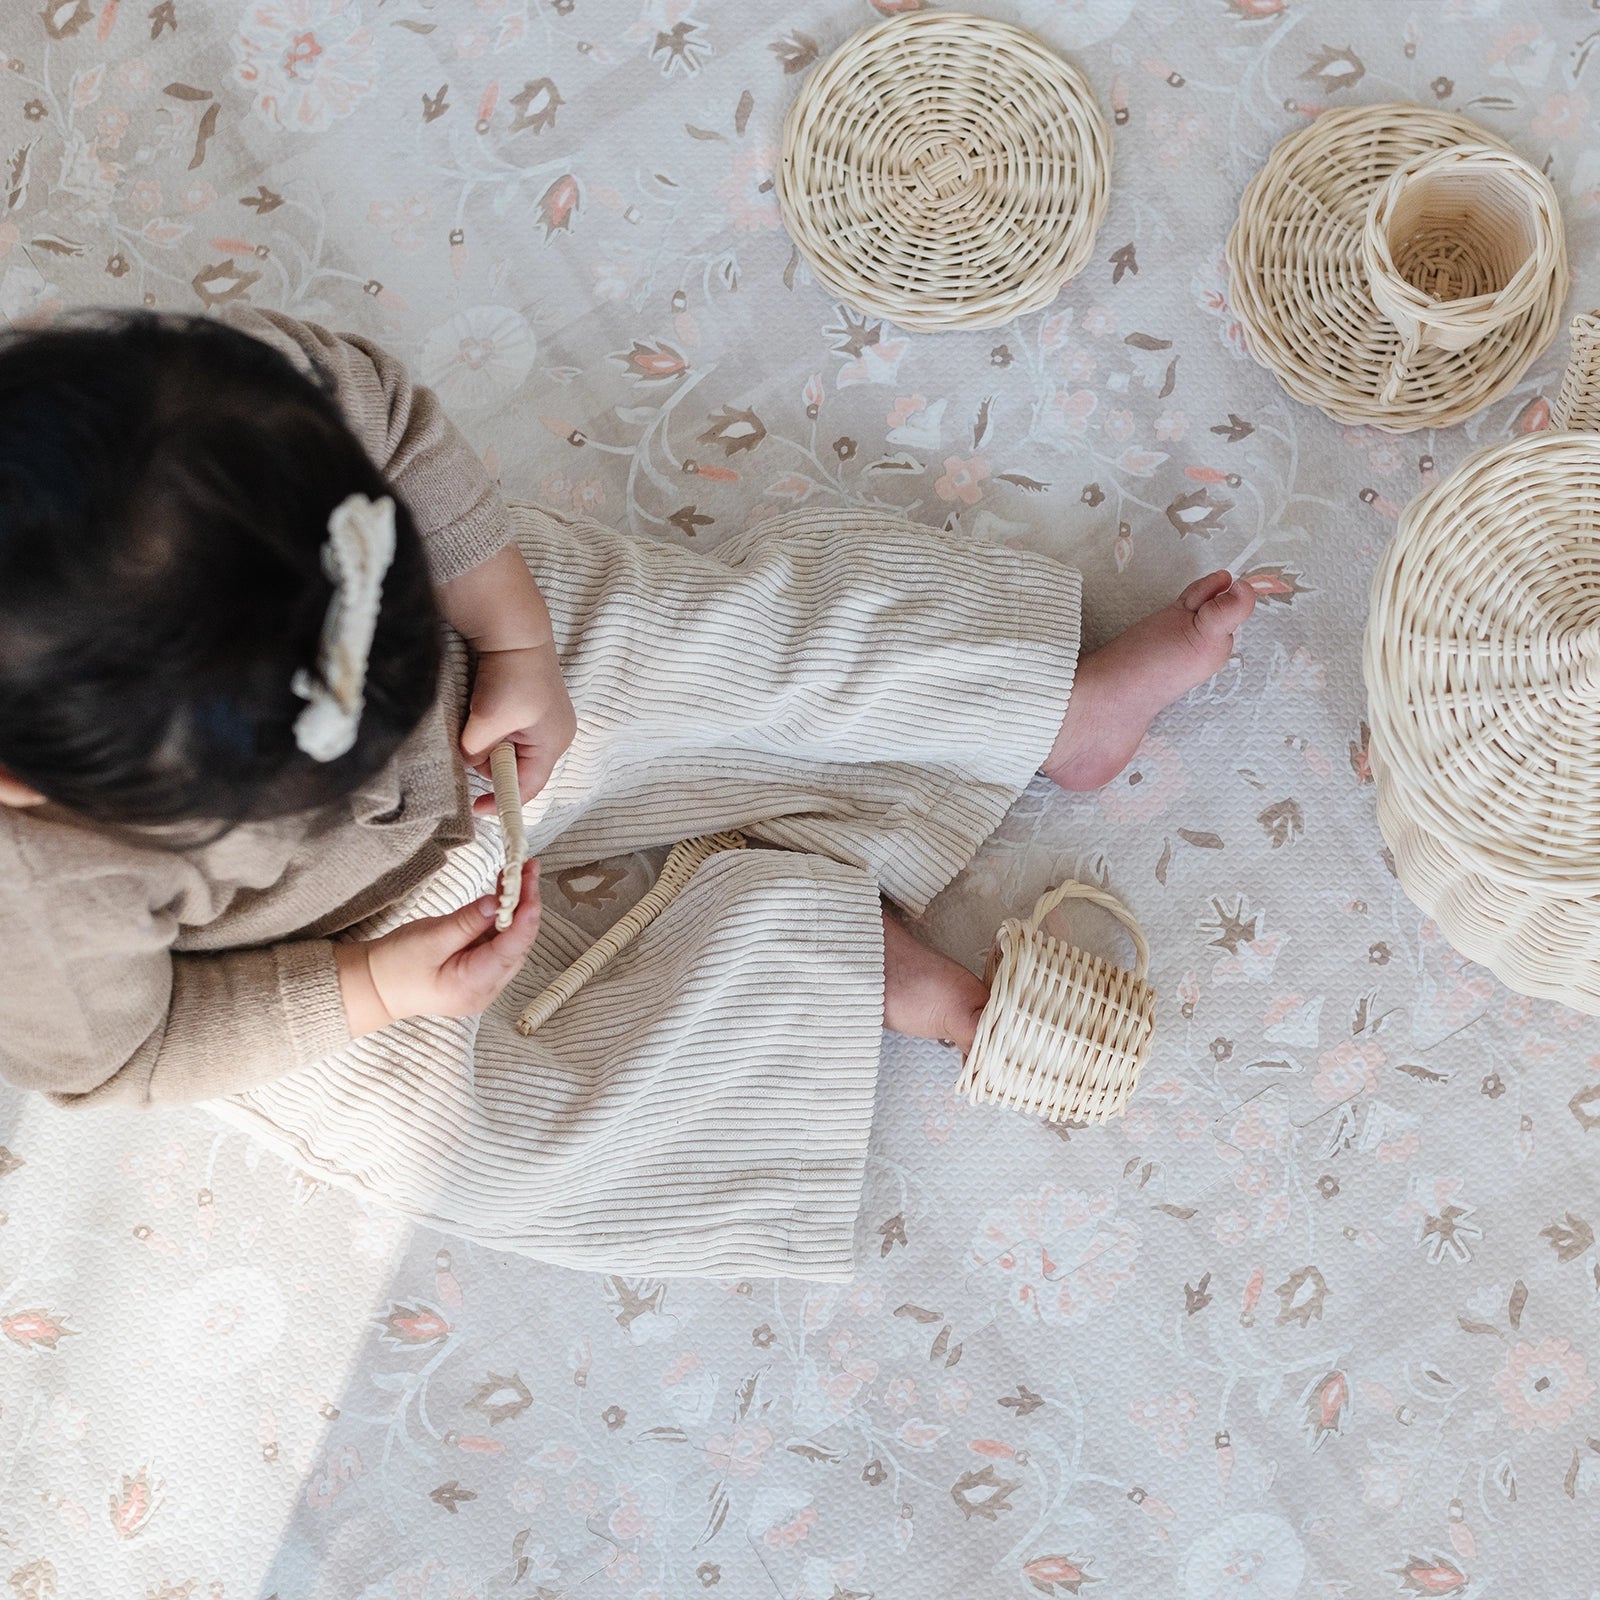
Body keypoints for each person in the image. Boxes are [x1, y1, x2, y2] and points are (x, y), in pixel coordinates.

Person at [0, 309, 1254, 1278]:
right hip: (316, 942)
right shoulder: (35, 911)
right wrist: (373, 987)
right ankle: (818, 966)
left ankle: (1042, 705)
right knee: (501, 1151)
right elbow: (134, 1049)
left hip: (486, 670)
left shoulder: (199, 414)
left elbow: (393, 423)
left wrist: (511, 640)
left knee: (747, 642)